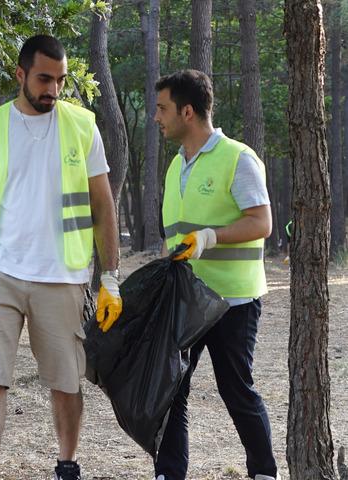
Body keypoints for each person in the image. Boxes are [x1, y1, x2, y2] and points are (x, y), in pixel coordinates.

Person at [0, 35, 121, 480]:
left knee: (66, 381)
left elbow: (104, 208)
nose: (53, 90)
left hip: (62, 274)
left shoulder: (83, 126)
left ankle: (67, 463)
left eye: (59, 80)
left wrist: (111, 277)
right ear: (20, 75)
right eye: (43, 78)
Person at [153, 70, 277, 480]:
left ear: (187, 112)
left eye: (162, 108)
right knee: (171, 392)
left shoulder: (238, 157)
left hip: (232, 301)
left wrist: (209, 237)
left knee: (236, 390)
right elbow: (174, 233)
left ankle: (264, 473)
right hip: (185, 301)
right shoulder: (175, 166)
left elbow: (261, 223)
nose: (157, 117)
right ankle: (169, 474)